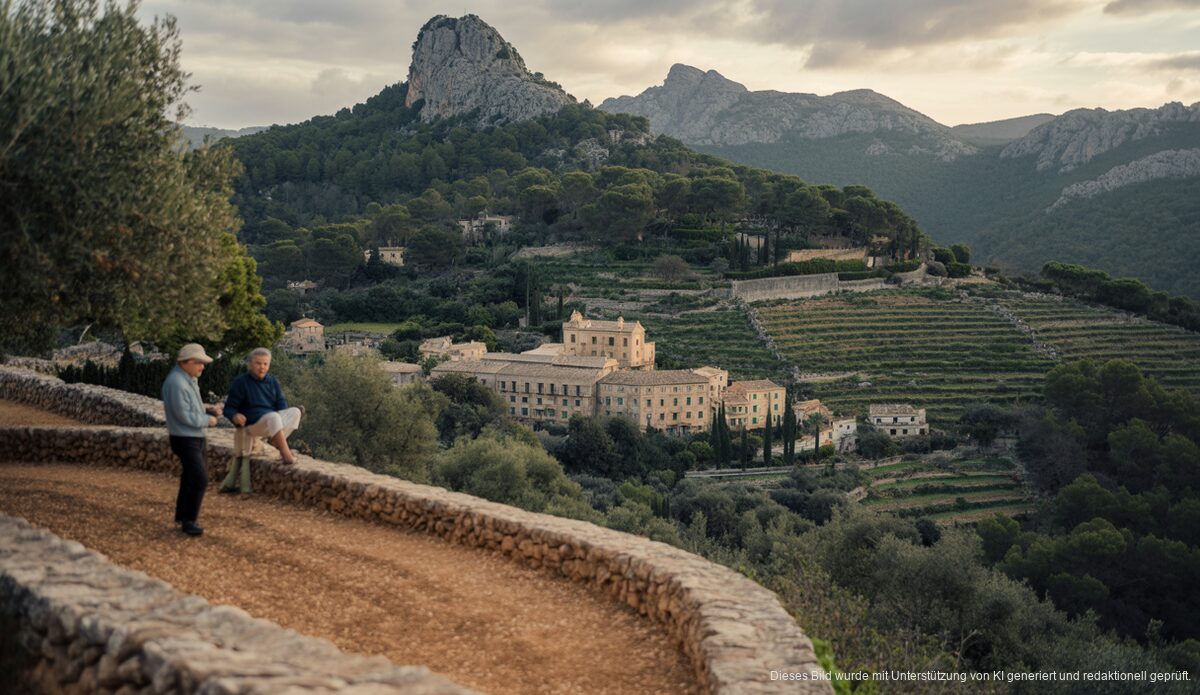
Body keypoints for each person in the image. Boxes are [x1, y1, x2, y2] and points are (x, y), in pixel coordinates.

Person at [221, 349, 302, 489]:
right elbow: (228, 408)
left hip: (270, 420)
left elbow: (281, 404)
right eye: (258, 363)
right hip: (251, 424)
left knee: (295, 412)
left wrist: (282, 410)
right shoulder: (241, 383)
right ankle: (286, 455)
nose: (262, 367)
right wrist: (235, 415)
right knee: (274, 416)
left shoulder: (272, 382)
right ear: (250, 364)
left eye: (265, 364)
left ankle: (276, 441)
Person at [162, 343, 221, 536]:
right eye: (199, 363)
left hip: (192, 437)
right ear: (186, 362)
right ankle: (189, 521)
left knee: (189, 477)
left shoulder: (187, 379)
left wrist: (207, 408)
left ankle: (182, 515)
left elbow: (190, 406)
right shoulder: (177, 383)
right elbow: (183, 415)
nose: (202, 366)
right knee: (199, 478)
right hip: (185, 438)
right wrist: (208, 420)